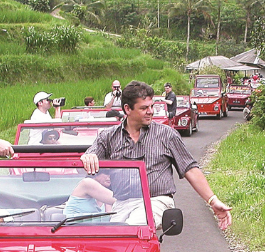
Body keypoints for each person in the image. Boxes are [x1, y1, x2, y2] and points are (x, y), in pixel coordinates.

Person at [80, 80, 232, 229]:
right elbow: (89, 155)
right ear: (127, 109)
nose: (151, 111)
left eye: (152, 106)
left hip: (157, 201)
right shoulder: (108, 136)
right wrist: (89, 156)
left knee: (134, 228)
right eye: (144, 108)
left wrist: (213, 201)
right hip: (121, 203)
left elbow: (190, 168)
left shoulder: (166, 134)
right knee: (114, 242)